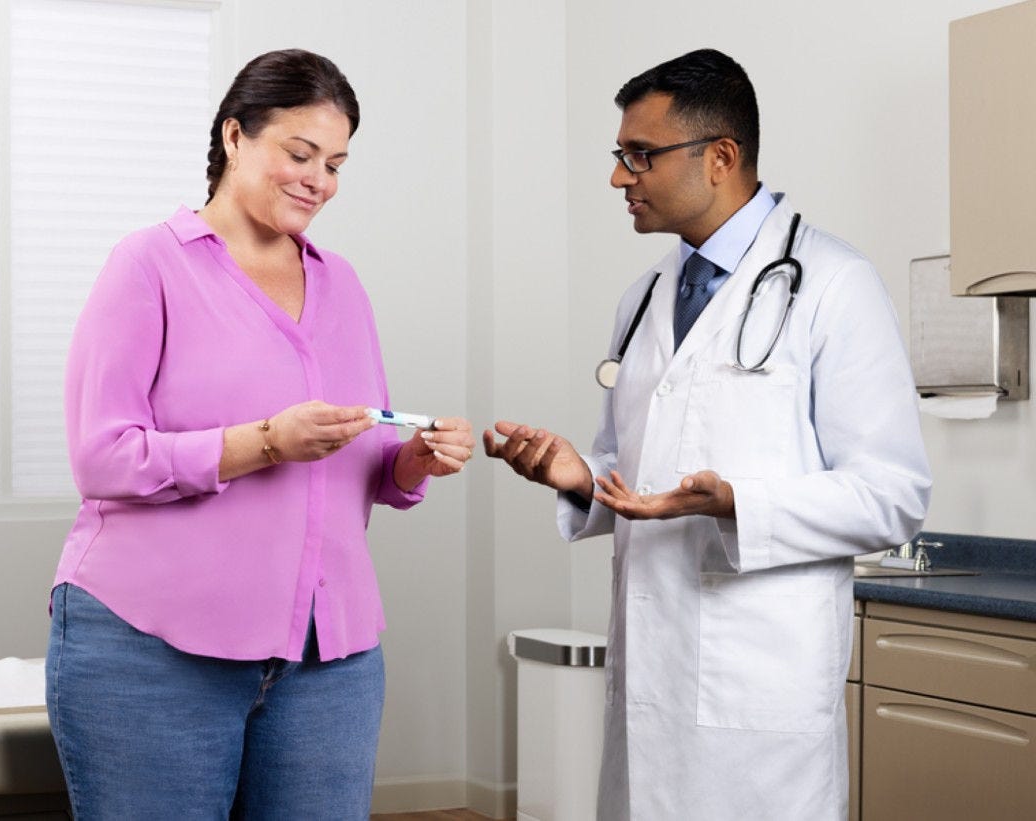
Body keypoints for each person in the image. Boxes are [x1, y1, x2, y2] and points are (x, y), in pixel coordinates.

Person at [484, 49, 931, 820]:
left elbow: (892, 495)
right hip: (647, 682)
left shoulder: (834, 284)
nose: (619, 177)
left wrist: (734, 503)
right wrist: (580, 475)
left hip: (758, 692)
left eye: (640, 155)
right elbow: (636, 469)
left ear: (720, 157)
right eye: (620, 154)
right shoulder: (644, 298)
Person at [45, 48, 474, 820]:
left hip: (325, 657)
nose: (319, 181)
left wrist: (414, 458)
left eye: (335, 165)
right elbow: (102, 456)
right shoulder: (149, 265)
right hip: (151, 647)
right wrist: (267, 442)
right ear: (235, 136)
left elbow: (368, 459)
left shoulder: (342, 283)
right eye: (300, 154)